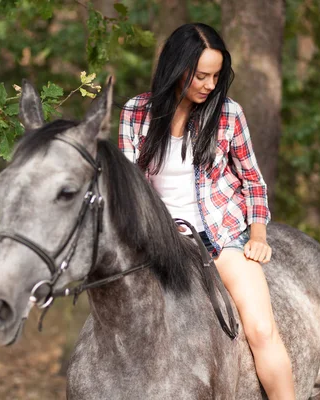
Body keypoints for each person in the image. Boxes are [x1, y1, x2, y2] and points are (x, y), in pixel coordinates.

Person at [118, 23, 296, 399]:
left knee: (263, 330)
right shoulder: (136, 112)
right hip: (160, 245)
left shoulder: (228, 114)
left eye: (216, 76)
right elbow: (128, 190)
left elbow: (253, 182)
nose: (210, 85)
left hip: (222, 240)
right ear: (176, 69)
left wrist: (259, 236)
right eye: (201, 75)